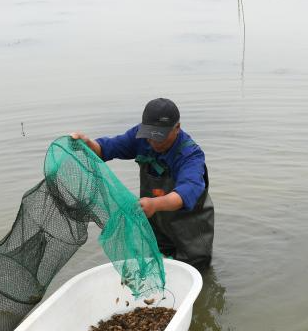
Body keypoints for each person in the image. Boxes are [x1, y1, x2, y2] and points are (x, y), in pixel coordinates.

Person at [71, 98, 214, 271]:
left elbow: (187, 191)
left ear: (177, 128)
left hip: (191, 228)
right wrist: (89, 144)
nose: (153, 142)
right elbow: (107, 148)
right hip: (158, 224)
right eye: (149, 136)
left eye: (159, 137)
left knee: (197, 271)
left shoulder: (190, 154)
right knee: (160, 262)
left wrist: (155, 204)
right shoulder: (140, 137)